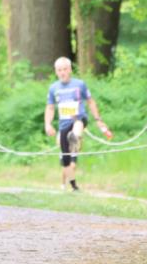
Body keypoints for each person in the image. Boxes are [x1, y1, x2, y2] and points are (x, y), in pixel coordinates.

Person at [44, 57, 111, 191]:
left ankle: (76, 139)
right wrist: (48, 124)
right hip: (64, 125)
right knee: (66, 161)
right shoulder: (53, 88)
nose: (62, 72)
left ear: (69, 70)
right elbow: (50, 108)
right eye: (59, 70)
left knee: (78, 123)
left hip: (79, 119)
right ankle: (74, 186)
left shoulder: (80, 84)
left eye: (65, 69)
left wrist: (98, 120)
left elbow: (91, 102)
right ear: (56, 72)